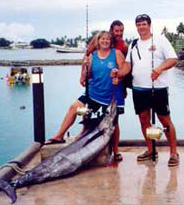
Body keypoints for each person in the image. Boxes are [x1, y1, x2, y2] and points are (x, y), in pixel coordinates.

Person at [45, 31, 126, 161]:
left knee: (114, 124)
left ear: (110, 42)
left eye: (107, 39)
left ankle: (116, 151)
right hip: (93, 93)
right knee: (74, 107)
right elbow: (86, 77)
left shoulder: (116, 53)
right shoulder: (92, 55)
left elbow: (124, 71)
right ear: (98, 41)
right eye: (102, 39)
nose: (105, 41)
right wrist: (85, 68)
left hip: (112, 95)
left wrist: (119, 76)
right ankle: (59, 135)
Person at [112, 14, 179, 167]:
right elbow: (128, 65)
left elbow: (173, 59)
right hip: (139, 88)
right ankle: (151, 150)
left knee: (165, 121)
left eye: (144, 24)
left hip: (158, 88)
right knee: (144, 120)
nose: (141, 27)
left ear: (149, 25)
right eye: (139, 24)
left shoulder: (161, 40)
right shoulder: (133, 44)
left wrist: (159, 69)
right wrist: (119, 73)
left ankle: (174, 152)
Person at [79, 20, 129, 162]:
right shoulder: (96, 46)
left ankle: (116, 150)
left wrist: (122, 82)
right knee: (87, 113)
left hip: (115, 89)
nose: (119, 34)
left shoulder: (123, 47)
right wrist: (82, 74)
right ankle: (84, 135)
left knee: (114, 122)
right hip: (97, 90)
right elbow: (86, 60)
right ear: (111, 32)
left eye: (121, 31)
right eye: (116, 31)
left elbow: (127, 66)